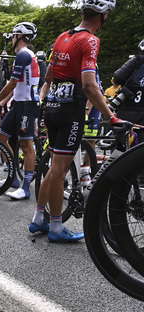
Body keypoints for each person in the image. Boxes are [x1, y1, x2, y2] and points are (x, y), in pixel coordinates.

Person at [31, 0, 122, 243]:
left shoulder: (62, 37)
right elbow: (89, 85)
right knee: (60, 171)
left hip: (51, 109)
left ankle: (39, 218)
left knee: (54, 168)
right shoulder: (90, 40)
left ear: (83, 12)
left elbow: (49, 75)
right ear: (103, 17)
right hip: (71, 112)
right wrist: (111, 117)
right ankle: (57, 228)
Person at [0, 22, 40, 200]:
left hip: (28, 105)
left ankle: (25, 188)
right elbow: (17, 86)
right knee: (1, 138)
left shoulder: (24, 54)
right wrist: (1, 104)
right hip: (18, 104)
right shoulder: (22, 56)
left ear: (20, 37)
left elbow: (13, 83)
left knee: (26, 145)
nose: (12, 39)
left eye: (14, 35)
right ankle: (13, 179)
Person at [113, 38, 144, 143]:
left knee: (121, 141)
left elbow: (118, 78)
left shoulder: (136, 61)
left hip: (127, 108)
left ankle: (119, 158)